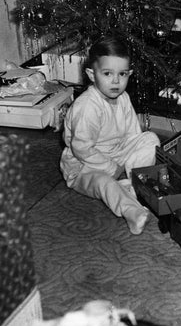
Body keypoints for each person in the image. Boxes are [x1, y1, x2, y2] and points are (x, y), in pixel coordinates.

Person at [60, 37, 160, 235]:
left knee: (150, 139)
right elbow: (81, 149)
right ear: (91, 74)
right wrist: (113, 169)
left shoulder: (123, 98)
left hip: (117, 154)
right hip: (83, 166)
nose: (116, 81)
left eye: (122, 74)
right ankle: (132, 212)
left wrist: (131, 163)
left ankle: (135, 183)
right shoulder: (88, 106)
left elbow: (133, 135)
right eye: (107, 73)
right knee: (105, 184)